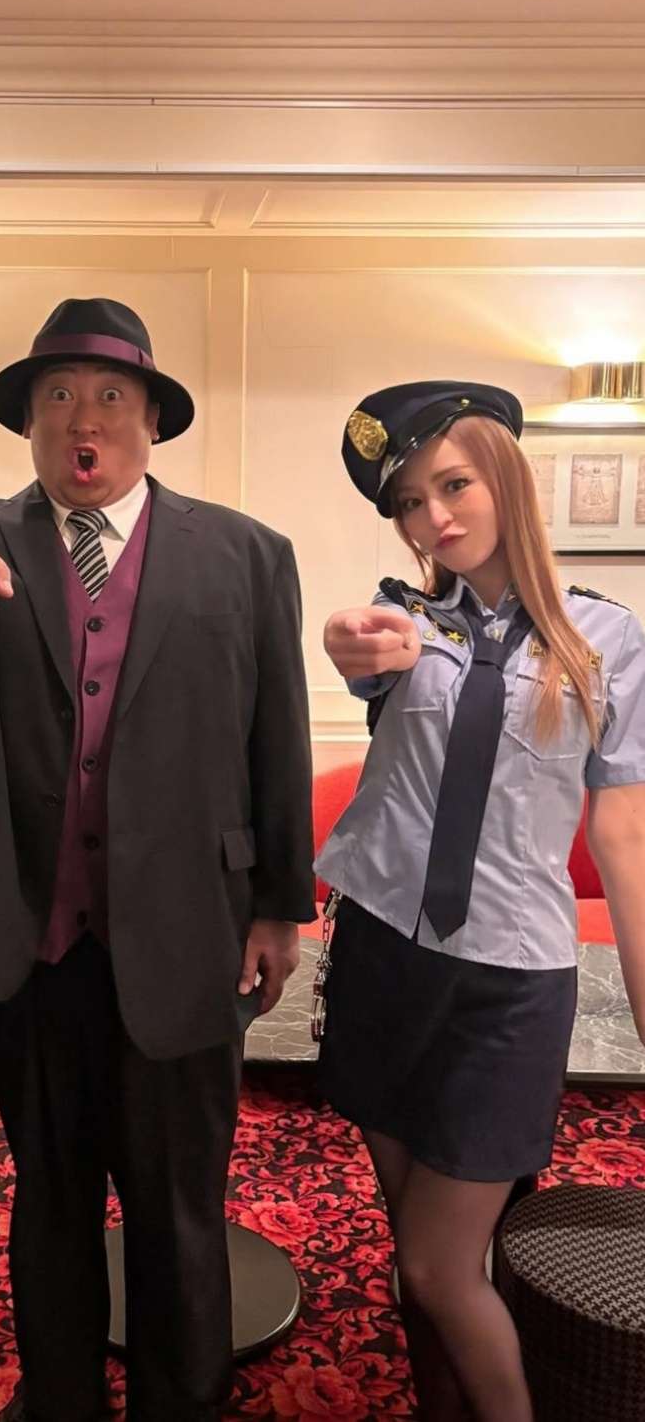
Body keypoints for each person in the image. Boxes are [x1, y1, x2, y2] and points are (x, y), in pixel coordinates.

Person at [0, 297, 315, 1421]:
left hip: (192, 933)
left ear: (151, 419)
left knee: (180, 1204)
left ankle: (183, 1401)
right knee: (51, 1194)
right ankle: (59, 1398)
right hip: (31, 939)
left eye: (112, 395)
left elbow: (278, 738)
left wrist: (280, 907)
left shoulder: (248, 554)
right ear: (28, 422)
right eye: (59, 396)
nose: (85, 418)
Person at [315, 381, 645, 1421]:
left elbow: (625, 837)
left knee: (440, 1261)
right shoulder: (403, 622)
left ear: (506, 474)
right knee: (416, 1248)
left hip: (510, 986)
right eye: (410, 502)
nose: (434, 518)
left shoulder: (608, 640)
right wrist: (345, 642)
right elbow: (358, 645)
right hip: (382, 957)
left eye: (452, 485)